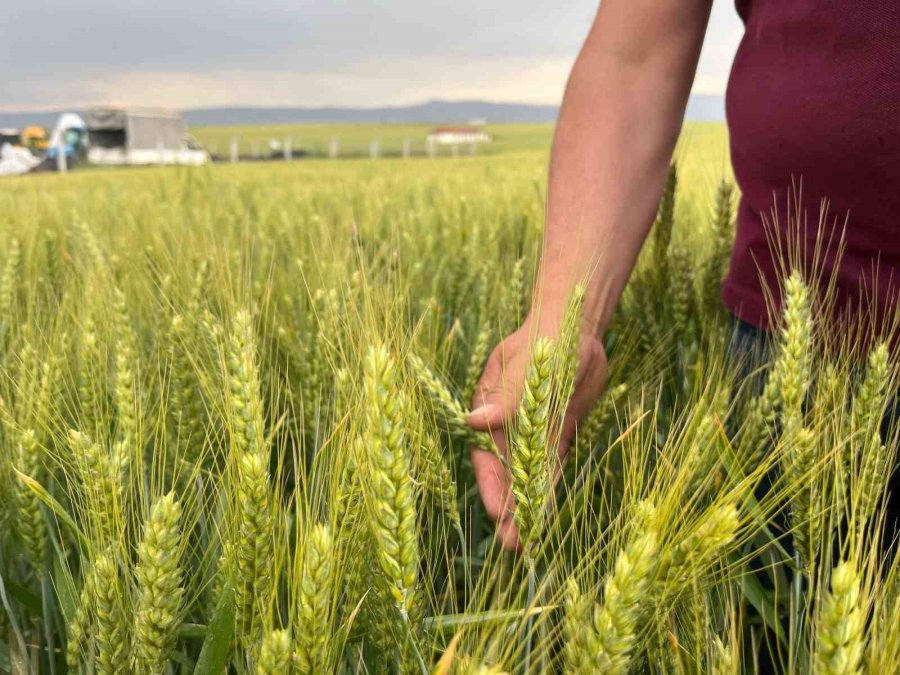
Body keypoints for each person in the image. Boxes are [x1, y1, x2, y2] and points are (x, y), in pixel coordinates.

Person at [466, 0, 900, 552]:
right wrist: (565, 319)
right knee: (791, 592)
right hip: (794, 352)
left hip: (801, 358)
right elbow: (635, 58)